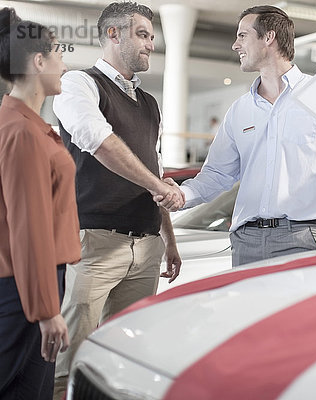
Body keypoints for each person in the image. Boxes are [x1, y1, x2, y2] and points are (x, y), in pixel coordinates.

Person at [163, 5, 316, 267]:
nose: (235, 45)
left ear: (269, 37)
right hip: (245, 242)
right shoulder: (240, 110)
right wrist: (183, 195)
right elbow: (217, 174)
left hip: (302, 240)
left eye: (242, 35)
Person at [51, 2, 184, 396]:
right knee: (69, 359)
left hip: (145, 248)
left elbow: (152, 171)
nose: (151, 46)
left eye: (152, 37)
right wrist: (160, 188)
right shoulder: (79, 84)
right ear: (114, 34)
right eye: (143, 35)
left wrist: (169, 240)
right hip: (93, 244)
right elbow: (100, 142)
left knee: (128, 357)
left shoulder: (150, 104)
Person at [0, 7, 80, 399]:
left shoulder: (24, 124)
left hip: (29, 284)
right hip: (25, 289)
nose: (64, 62)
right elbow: (29, 229)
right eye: (59, 52)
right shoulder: (23, 132)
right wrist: (47, 311)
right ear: (38, 60)